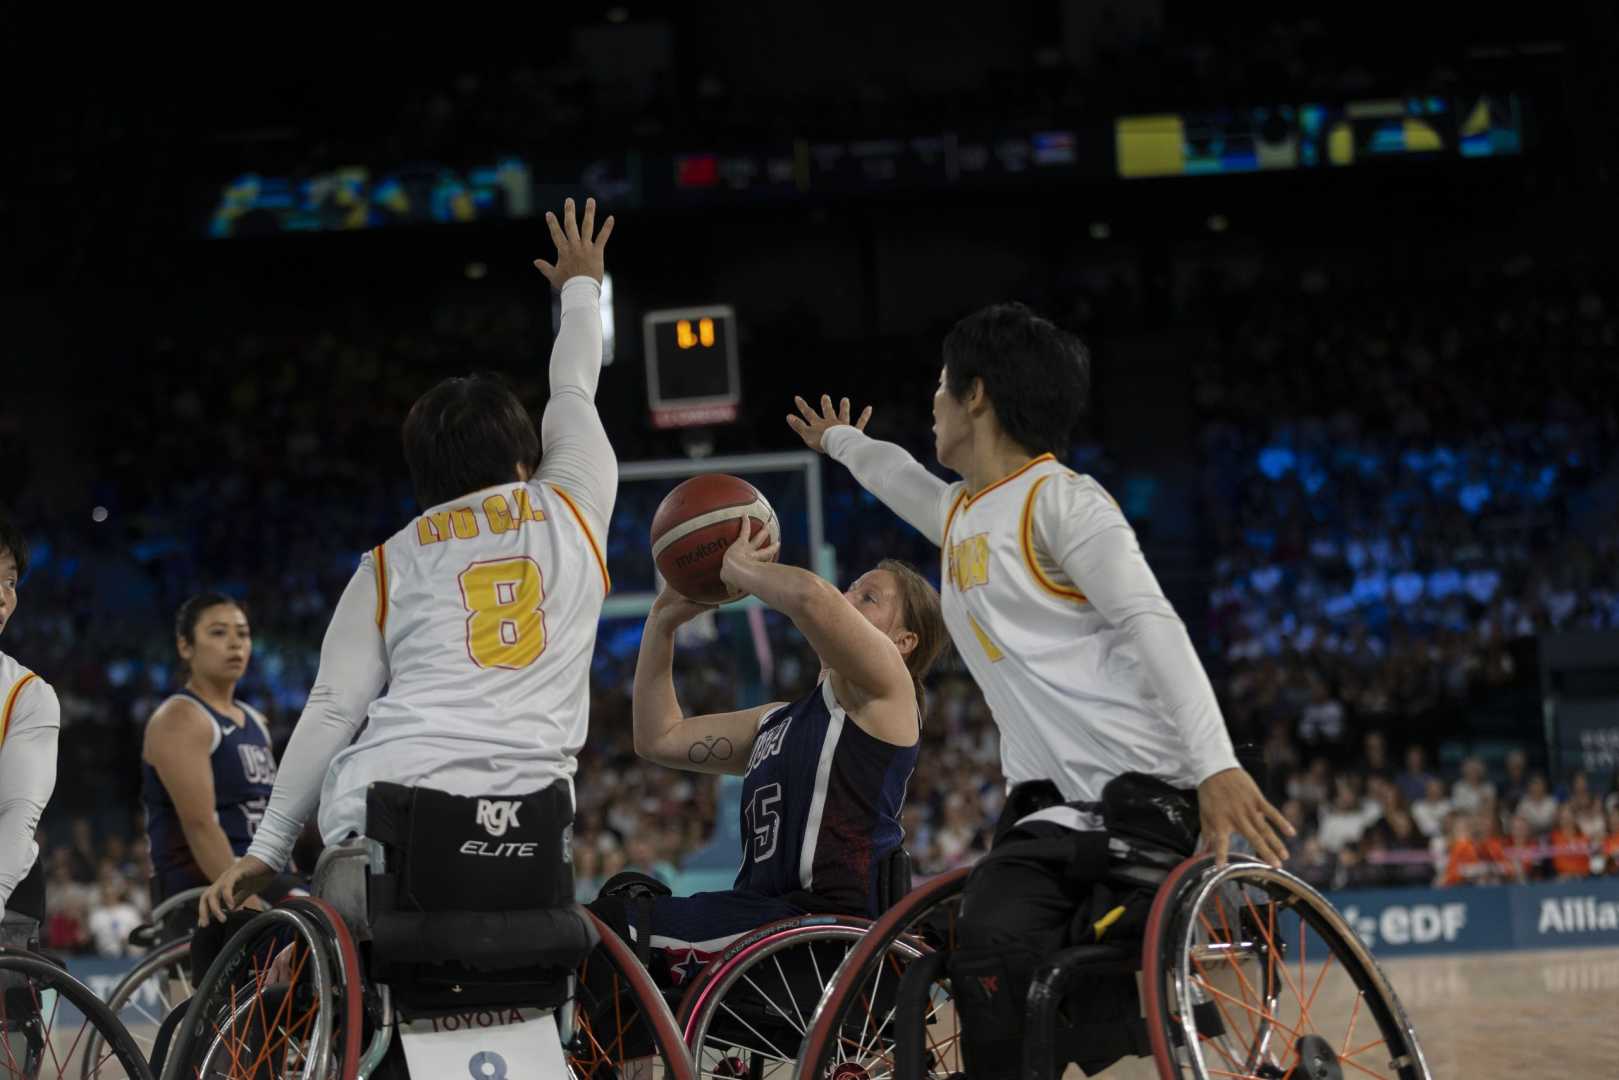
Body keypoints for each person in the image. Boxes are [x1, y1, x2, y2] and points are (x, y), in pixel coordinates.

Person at [789, 302, 1290, 1076]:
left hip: (1141, 791)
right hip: (1049, 813)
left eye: (939, 387)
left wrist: (1216, 765)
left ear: (976, 394)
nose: (930, 403)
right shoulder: (960, 516)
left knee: (1009, 948)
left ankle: (1170, 1022)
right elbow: (897, 478)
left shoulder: (1064, 502)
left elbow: (1152, 624)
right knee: (984, 960)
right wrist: (841, 442)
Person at [200, 198, 618, 921]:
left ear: (421, 478)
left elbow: (333, 709)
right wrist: (580, 286)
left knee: (335, 932)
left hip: (390, 818)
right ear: (525, 460)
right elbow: (571, 385)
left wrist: (265, 853)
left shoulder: (389, 561)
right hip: (528, 830)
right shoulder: (572, 507)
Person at [592, 527, 946, 989]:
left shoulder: (889, 695)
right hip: (759, 922)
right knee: (621, 900)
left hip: (822, 931)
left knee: (611, 928)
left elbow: (812, 599)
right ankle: (626, 1065)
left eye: (869, 597)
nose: (847, 596)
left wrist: (740, 567)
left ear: (903, 642)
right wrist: (661, 624)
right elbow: (658, 737)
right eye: (850, 587)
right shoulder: (776, 720)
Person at [141, 593, 286, 910]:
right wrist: (252, 905)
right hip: (206, 889)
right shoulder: (180, 718)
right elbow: (200, 825)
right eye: (218, 633)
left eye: (243, 634)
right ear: (185, 646)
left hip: (266, 876)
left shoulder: (256, 721)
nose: (235, 644)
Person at [0, 508, 60, 952]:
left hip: (6, 884)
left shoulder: (27, 694)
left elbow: (17, 820)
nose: (4, 597)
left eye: (10, 582)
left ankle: (17, 1022)